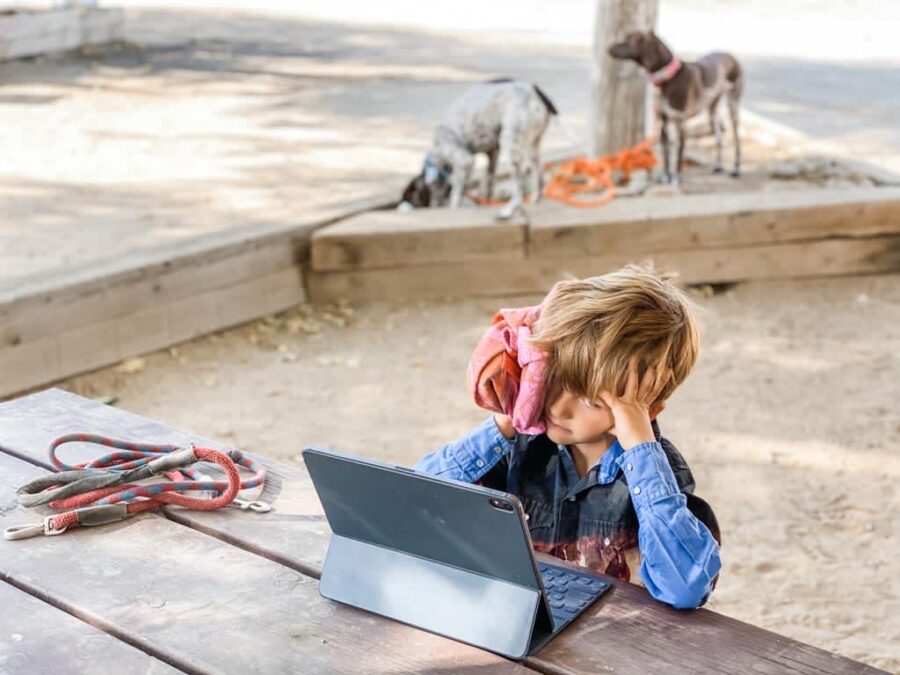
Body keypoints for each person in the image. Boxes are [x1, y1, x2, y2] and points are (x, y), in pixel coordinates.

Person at [414, 265, 721, 609]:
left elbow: (685, 588)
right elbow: (416, 501)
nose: (558, 407)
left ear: (646, 411)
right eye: (552, 379)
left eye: (590, 400)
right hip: (520, 621)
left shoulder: (658, 477)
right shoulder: (520, 444)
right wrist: (505, 420)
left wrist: (640, 447)